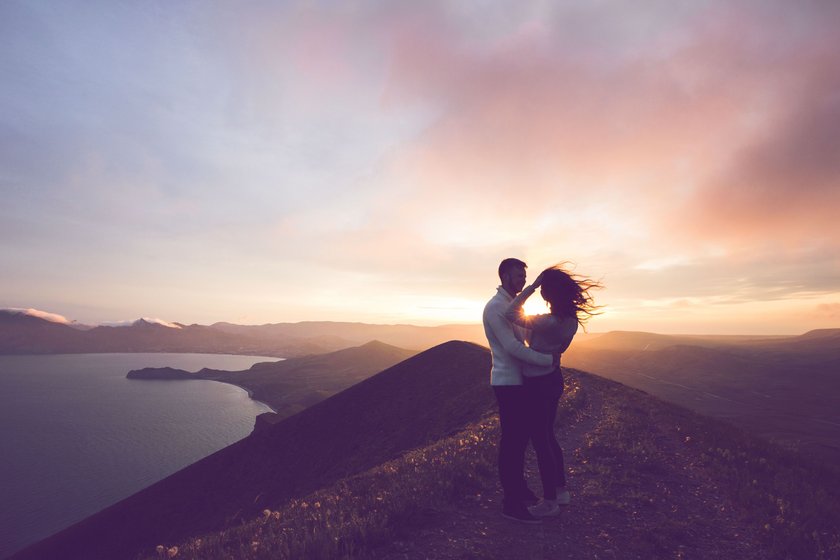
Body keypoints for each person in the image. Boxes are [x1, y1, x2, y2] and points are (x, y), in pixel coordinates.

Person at [505, 263, 602, 518]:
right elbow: (561, 349)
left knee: (540, 440)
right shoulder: (570, 320)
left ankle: (549, 502)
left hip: (537, 383)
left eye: (544, 289)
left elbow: (510, 313)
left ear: (549, 294)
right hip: (553, 379)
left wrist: (531, 288)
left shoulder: (549, 321)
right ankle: (560, 491)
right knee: (548, 435)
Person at [482, 258, 554, 523]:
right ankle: (511, 503)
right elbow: (513, 348)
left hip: (518, 382)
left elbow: (525, 333)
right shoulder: (494, 308)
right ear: (504, 277)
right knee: (512, 444)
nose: (522, 281)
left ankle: (519, 490)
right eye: (518, 277)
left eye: (525, 277)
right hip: (507, 383)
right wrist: (548, 360)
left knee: (519, 441)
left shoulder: (510, 305)